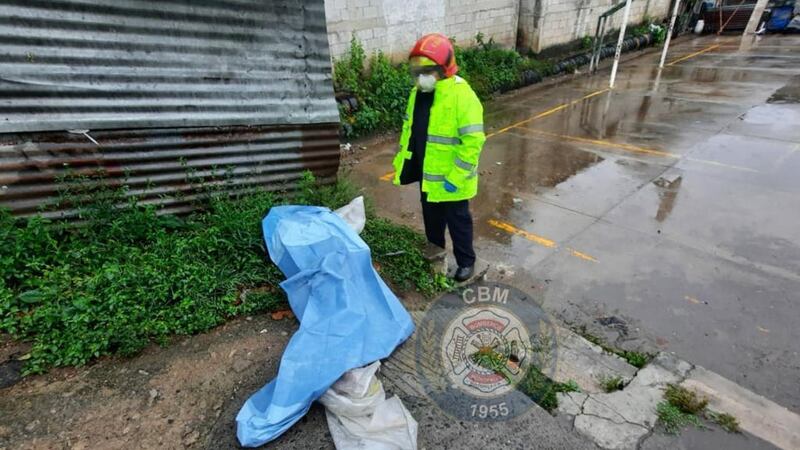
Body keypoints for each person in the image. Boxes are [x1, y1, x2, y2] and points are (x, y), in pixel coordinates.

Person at [391, 33, 486, 282]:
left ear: (444, 69)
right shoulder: (418, 93)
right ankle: (436, 257)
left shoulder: (462, 96)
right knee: (432, 222)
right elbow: (409, 130)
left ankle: (466, 262)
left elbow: (473, 141)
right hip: (428, 174)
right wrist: (405, 163)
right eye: (417, 70)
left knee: (459, 223)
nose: (421, 76)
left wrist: (455, 176)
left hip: (453, 179)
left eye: (427, 70)